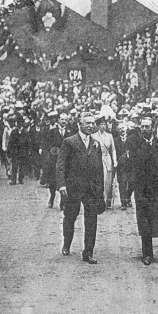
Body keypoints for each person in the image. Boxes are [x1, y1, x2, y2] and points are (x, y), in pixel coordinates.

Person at [56, 112, 104, 263]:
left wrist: (100, 188)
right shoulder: (69, 142)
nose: (91, 126)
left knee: (91, 219)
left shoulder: (96, 143)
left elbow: (99, 168)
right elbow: (61, 165)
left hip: (91, 188)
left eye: (92, 123)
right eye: (87, 123)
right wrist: (62, 184)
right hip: (73, 187)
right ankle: (66, 243)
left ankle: (88, 252)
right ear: (79, 125)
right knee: (70, 216)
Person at [126, 117, 158, 265]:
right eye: (143, 127)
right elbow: (129, 166)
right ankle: (147, 253)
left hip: (157, 188)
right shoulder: (136, 145)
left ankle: (149, 249)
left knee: (155, 219)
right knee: (143, 220)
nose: (145, 129)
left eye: (147, 127)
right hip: (141, 188)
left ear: (153, 128)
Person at [92, 115, 117, 209]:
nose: (103, 126)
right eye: (101, 124)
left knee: (108, 181)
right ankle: (99, 200)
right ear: (98, 126)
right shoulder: (93, 136)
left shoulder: (109, 136)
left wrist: (115, 161)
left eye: (104, 124)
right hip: (98, 160)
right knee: (99, 180)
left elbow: (113, 149)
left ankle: (106, 201)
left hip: (107, 160)